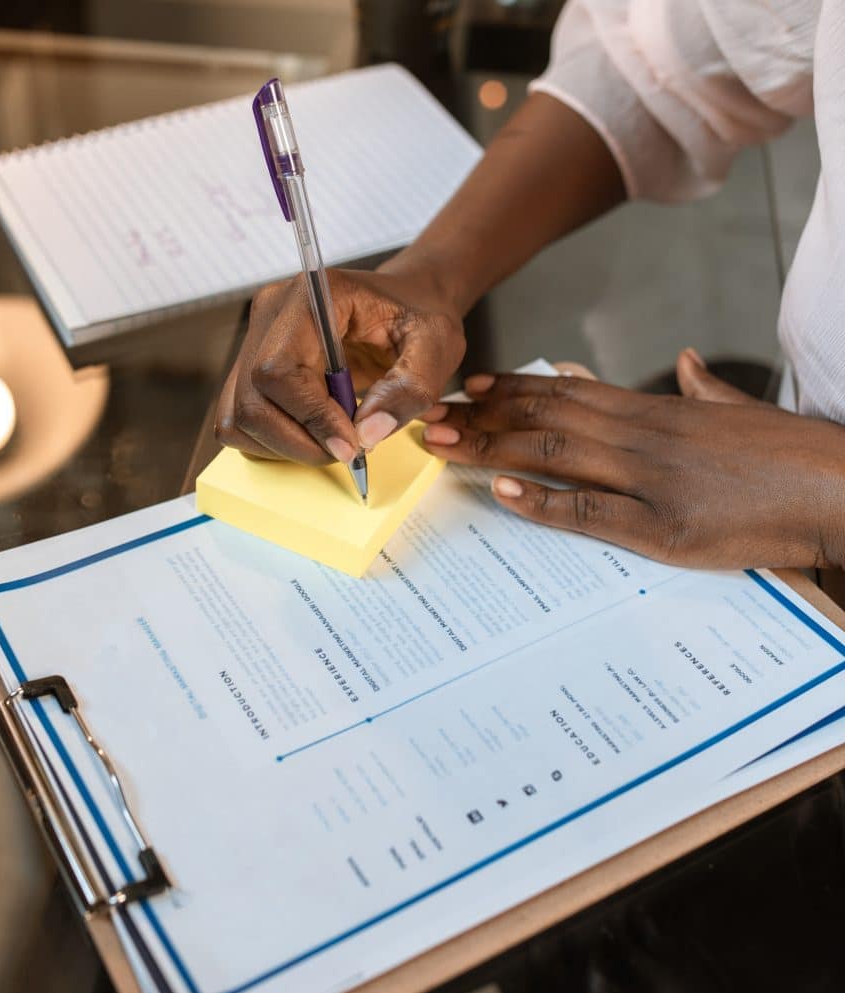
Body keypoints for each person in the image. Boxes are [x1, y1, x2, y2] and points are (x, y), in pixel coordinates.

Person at [216, 0, 844, 582]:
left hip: (780, 489)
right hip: (770, 482)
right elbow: (668, 60)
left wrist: (830, 499)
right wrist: (428, 276)